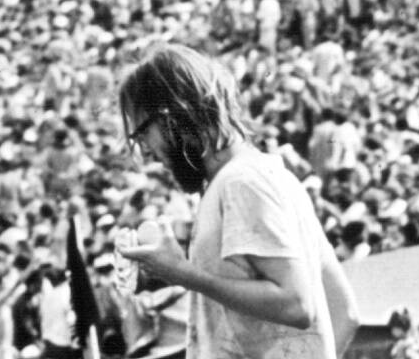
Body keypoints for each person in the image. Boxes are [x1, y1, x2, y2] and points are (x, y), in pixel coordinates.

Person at [116, 44, 361, 359]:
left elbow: (295, 303)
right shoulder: (267, 175)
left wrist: (182, 273)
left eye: (141, 134)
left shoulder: (240, 183)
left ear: (171, 117)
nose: (146, 152)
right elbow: (346, 312)